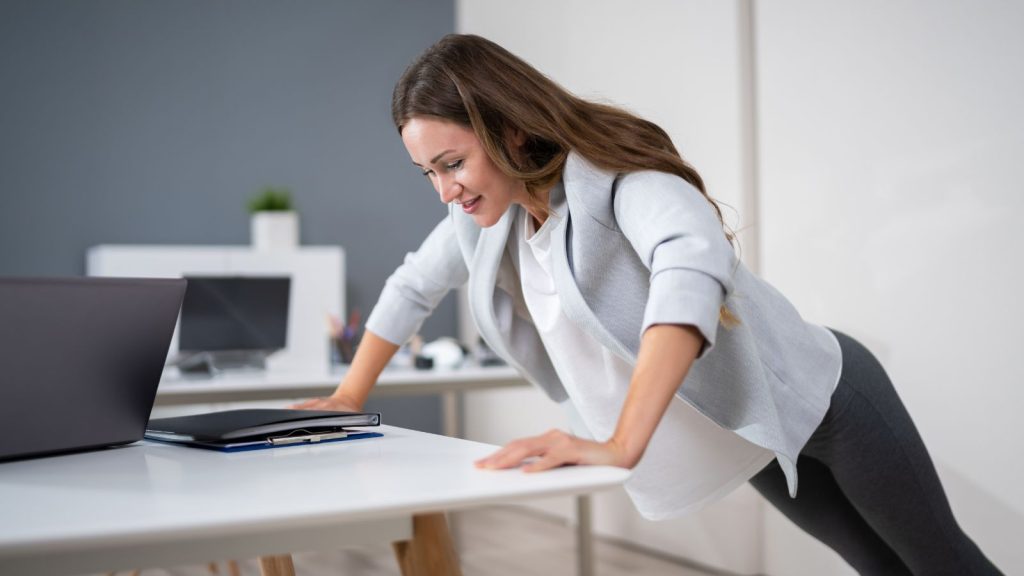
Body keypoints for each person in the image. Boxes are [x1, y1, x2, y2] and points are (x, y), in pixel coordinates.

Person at [294, 34, 1000, 575]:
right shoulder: (487, 220)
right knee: (881, 569)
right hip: (753, 432)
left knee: (946, 565)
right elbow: (412, 285)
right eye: (429, 174)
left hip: (835, 399)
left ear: (509, 128)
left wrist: (621, 443)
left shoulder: (618, 180)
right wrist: (350, 393)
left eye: (452, 164)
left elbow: (690, 273)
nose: (445, 190)